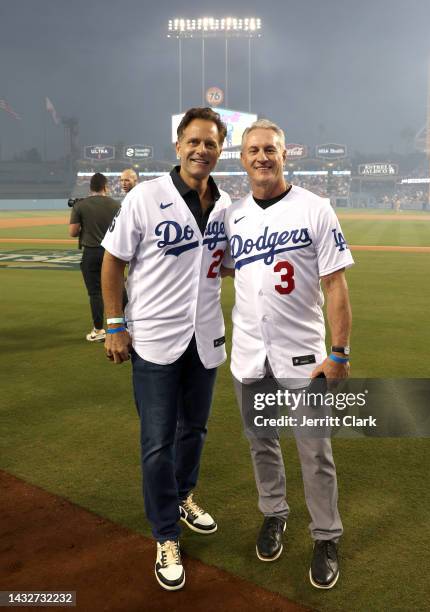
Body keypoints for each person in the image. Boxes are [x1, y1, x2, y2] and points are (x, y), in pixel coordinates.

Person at [101, 107, 230, 591]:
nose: (201, 150)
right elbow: (113, 261)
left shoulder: (226, 204)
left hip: (206, 337)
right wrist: (115, 324)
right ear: (177, 146)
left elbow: (230, 264)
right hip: (153, 338)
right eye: (193, 141)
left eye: (211, 143)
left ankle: (183, 495)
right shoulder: (145, 196)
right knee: (157, 442)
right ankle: (165, 535)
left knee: (194, 429)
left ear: (220, 150)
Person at [223, 119, 354, 590]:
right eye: (253, 149)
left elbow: (335, 284)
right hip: (249, 355)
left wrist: (338, 352)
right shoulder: (232, 215)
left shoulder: (315, 209)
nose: (262, 156)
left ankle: (325, 536)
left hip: (303, 357)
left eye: (270, 150)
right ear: (242, 158)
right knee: (261, 443)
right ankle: (274, 514)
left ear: (284, 155)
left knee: (314, 452)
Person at [69, 172, 120, 342]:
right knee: (119, 289)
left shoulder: (80, 205)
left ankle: (99, 330)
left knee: (95, 292)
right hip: (112, 252)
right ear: (105, 186)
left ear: (90, 187)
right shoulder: (116, 204)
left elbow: (73, 232)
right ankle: (127, 325)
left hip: (91, 252)